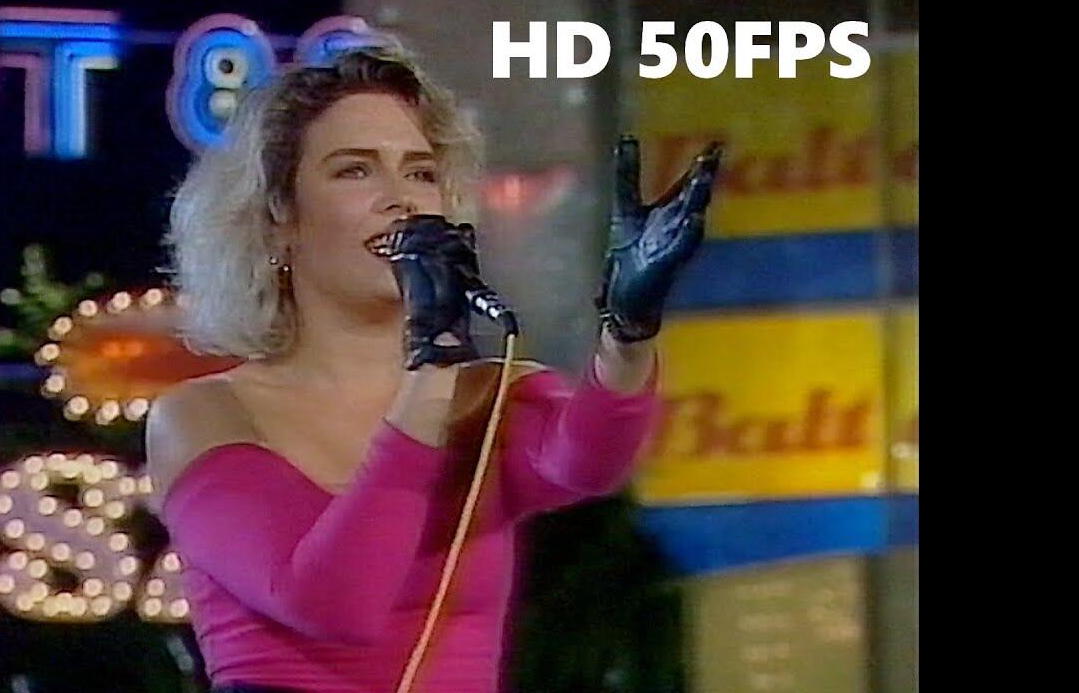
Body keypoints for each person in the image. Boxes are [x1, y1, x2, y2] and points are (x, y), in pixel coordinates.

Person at [147, 43, 721, 693]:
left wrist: (627, 330)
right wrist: (433, 363)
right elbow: (333, 603)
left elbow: (589, 461)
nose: (400, 199)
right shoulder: (206, 415)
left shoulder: (486, 396)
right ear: (279, 218)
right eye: (354, 171)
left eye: (420, 174)